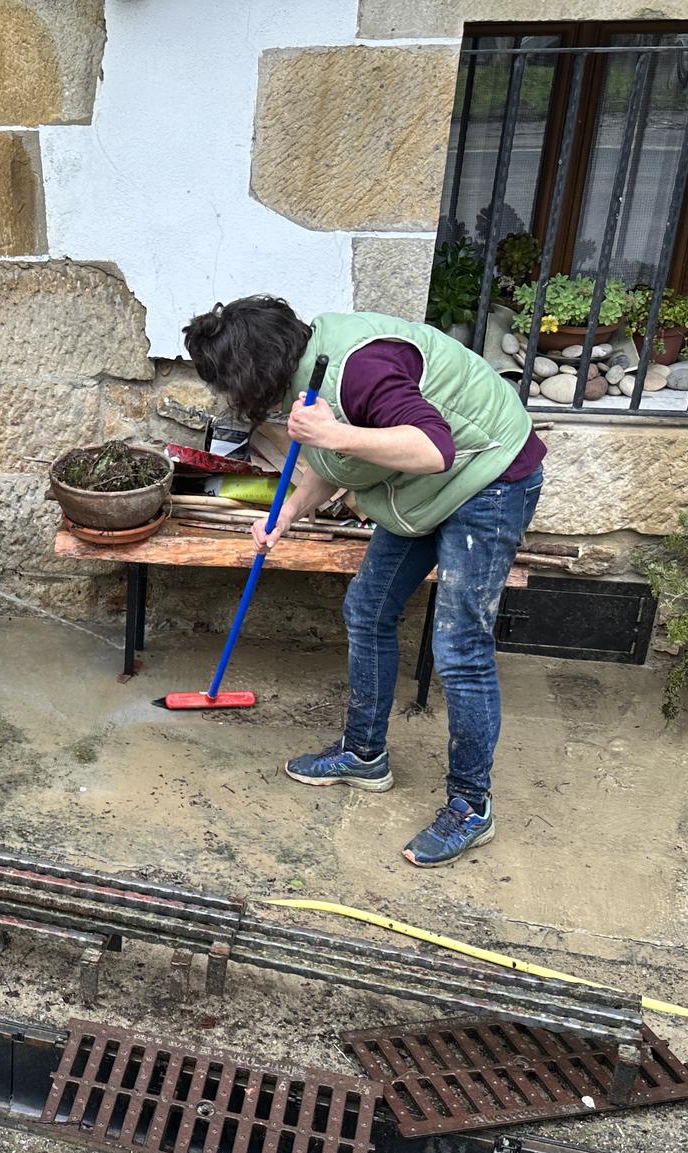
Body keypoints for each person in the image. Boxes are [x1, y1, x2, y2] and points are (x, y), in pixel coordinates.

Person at [184, 297, 547, 868]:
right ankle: (364, 754)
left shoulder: (363, 369)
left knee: (459, 649)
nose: (229, 397)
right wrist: (285, 515)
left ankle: (470, 807)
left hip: (489, 476)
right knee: (368, 610)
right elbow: (333, 465)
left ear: (252, 372)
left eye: (228, 385)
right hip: (428, 490)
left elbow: (434, 448)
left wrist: (332, 435)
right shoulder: (309, 373)